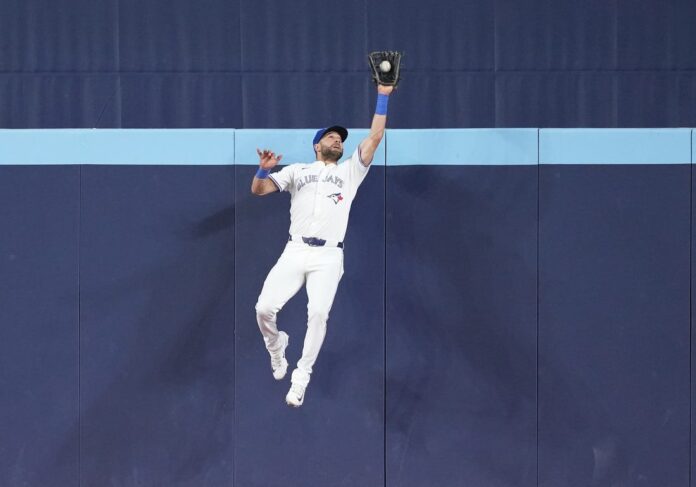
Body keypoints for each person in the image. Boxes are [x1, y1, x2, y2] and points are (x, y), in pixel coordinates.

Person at [251, 83, 394, 407]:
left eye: (340, 139)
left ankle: (301, 377)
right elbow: (259, 190)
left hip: (328, 254)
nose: (337, 140)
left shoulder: (350, 172)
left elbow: (374, 138)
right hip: (296, 250)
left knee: (318, 313)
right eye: (331, 137)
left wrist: (383, 96)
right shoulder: (297, 171)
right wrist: (263, 170)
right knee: (263, 309)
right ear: (317, 145)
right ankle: (276, 347)